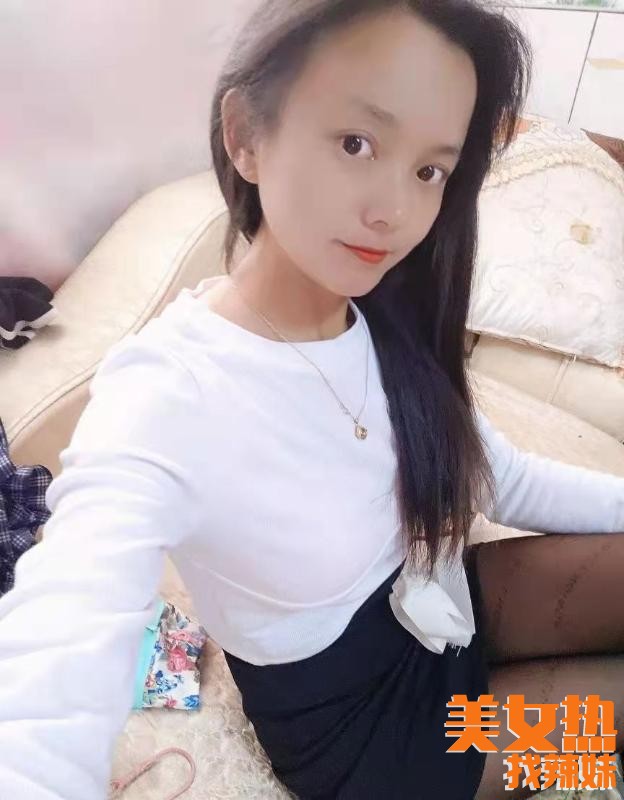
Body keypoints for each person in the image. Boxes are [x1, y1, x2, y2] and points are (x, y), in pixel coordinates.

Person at [1, 1, 623, 798]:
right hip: (368, 734)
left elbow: (497, 475)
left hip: (444, 597)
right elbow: (63, 639)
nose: (393, 211)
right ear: (245, 136)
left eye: (429, 170)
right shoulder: (168, 392)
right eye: (356, 143)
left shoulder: (385, 315)